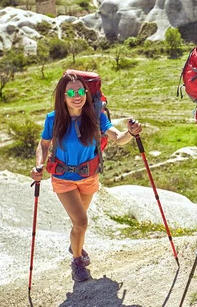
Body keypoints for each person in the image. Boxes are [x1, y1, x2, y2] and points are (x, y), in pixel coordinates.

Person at [30, 72, 142, 282]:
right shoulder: (53, 119)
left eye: (81, 91)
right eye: (70, 92)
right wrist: (38, 166)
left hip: (89, 177)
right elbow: (44, 145)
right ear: (62, 96)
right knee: (81, 222)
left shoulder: (95, 116)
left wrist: (132, 133)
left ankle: (75, 245)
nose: (77, 96)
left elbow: (117, 138)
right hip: (63, 178)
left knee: (77, 223)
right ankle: (77, 260)